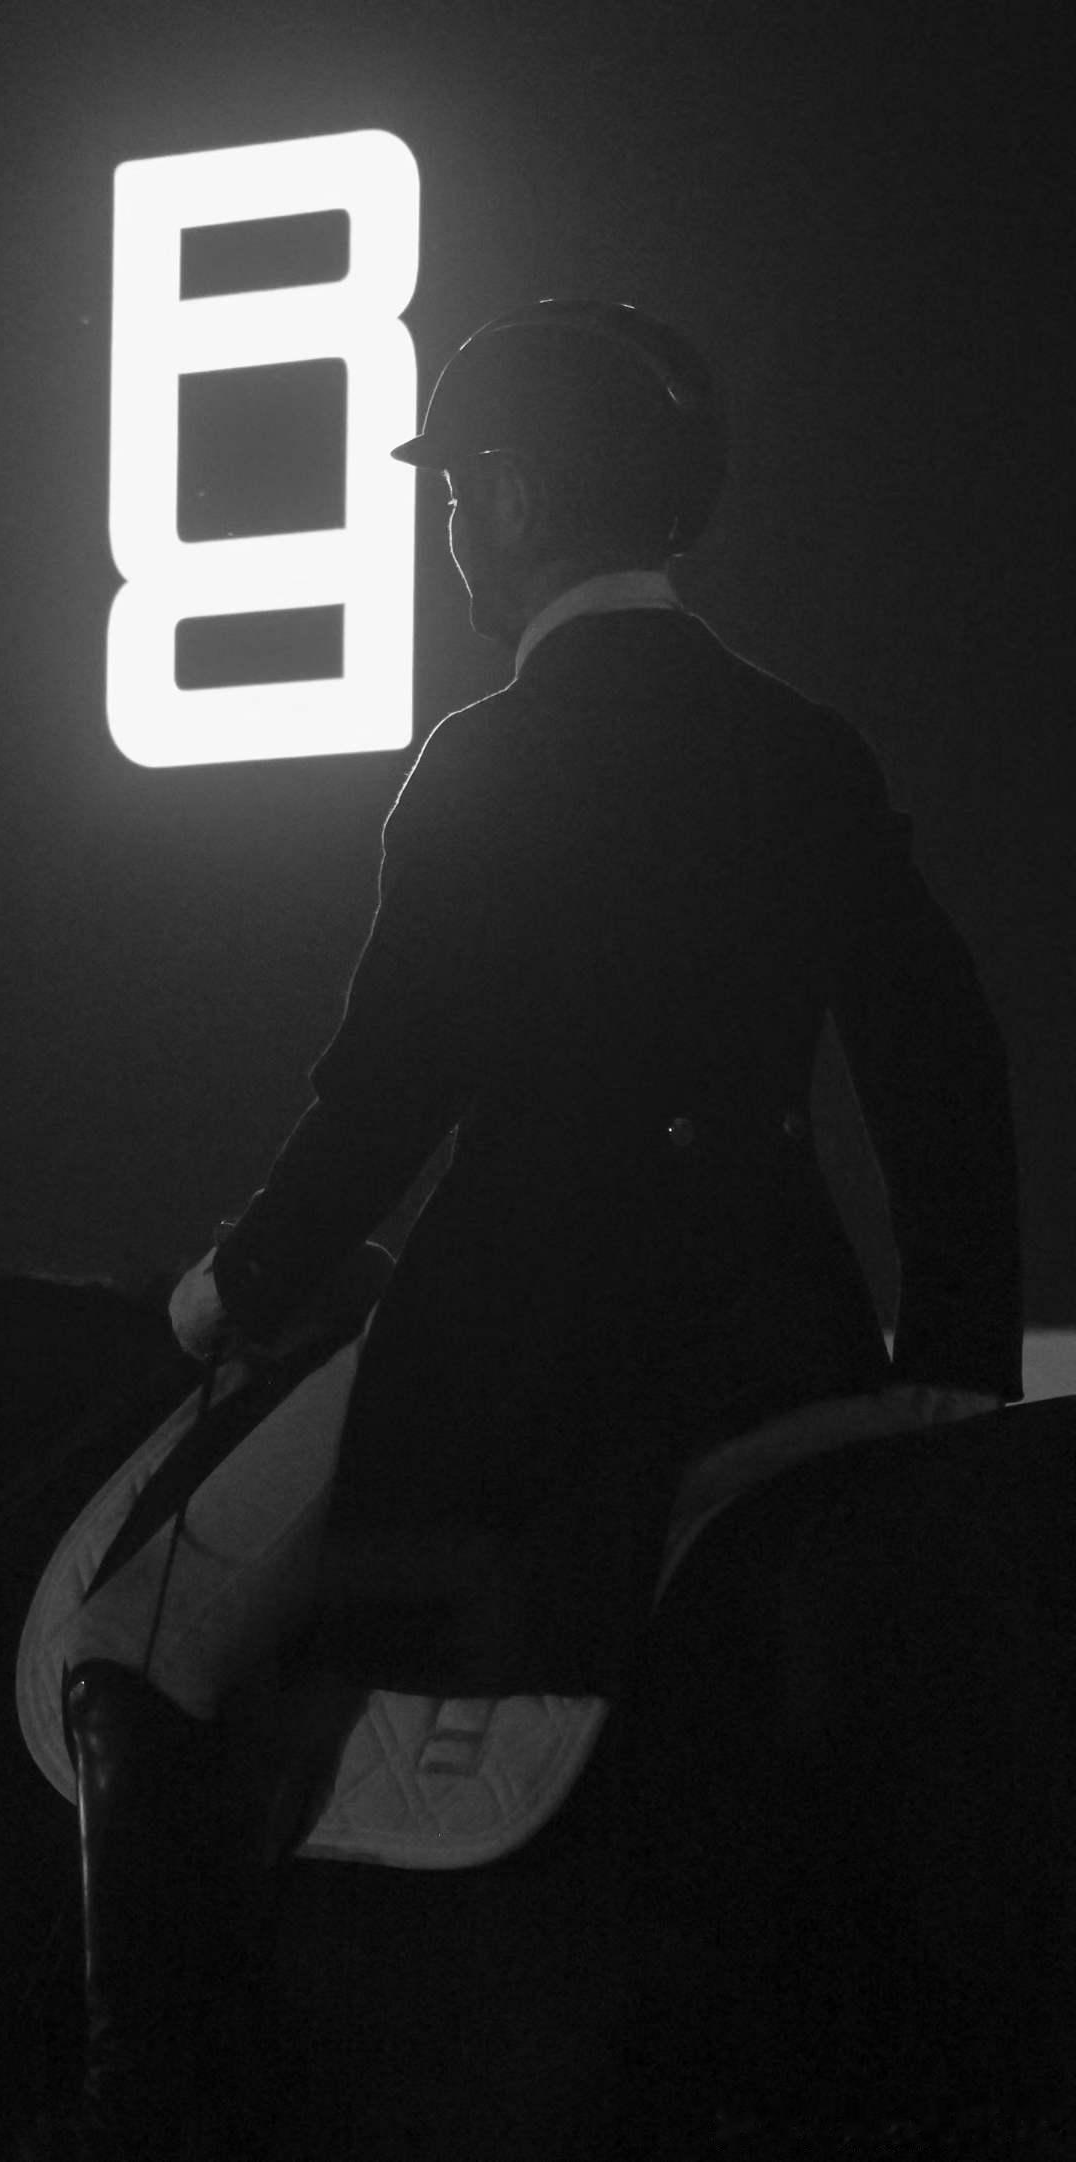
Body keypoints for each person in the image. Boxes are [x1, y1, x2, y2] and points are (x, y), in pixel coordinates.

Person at [74, 299, 1023, 2157]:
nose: (448, 534)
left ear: (504, 500)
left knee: (137, 1639)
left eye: (452, 496)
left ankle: (147, 2114)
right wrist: (954, 1368)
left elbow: (382, 1100)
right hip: (791, 1353)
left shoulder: (485, 762)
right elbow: (944, 1065)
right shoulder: (806, 750)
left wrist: (231, 1289)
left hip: (516, 1379)